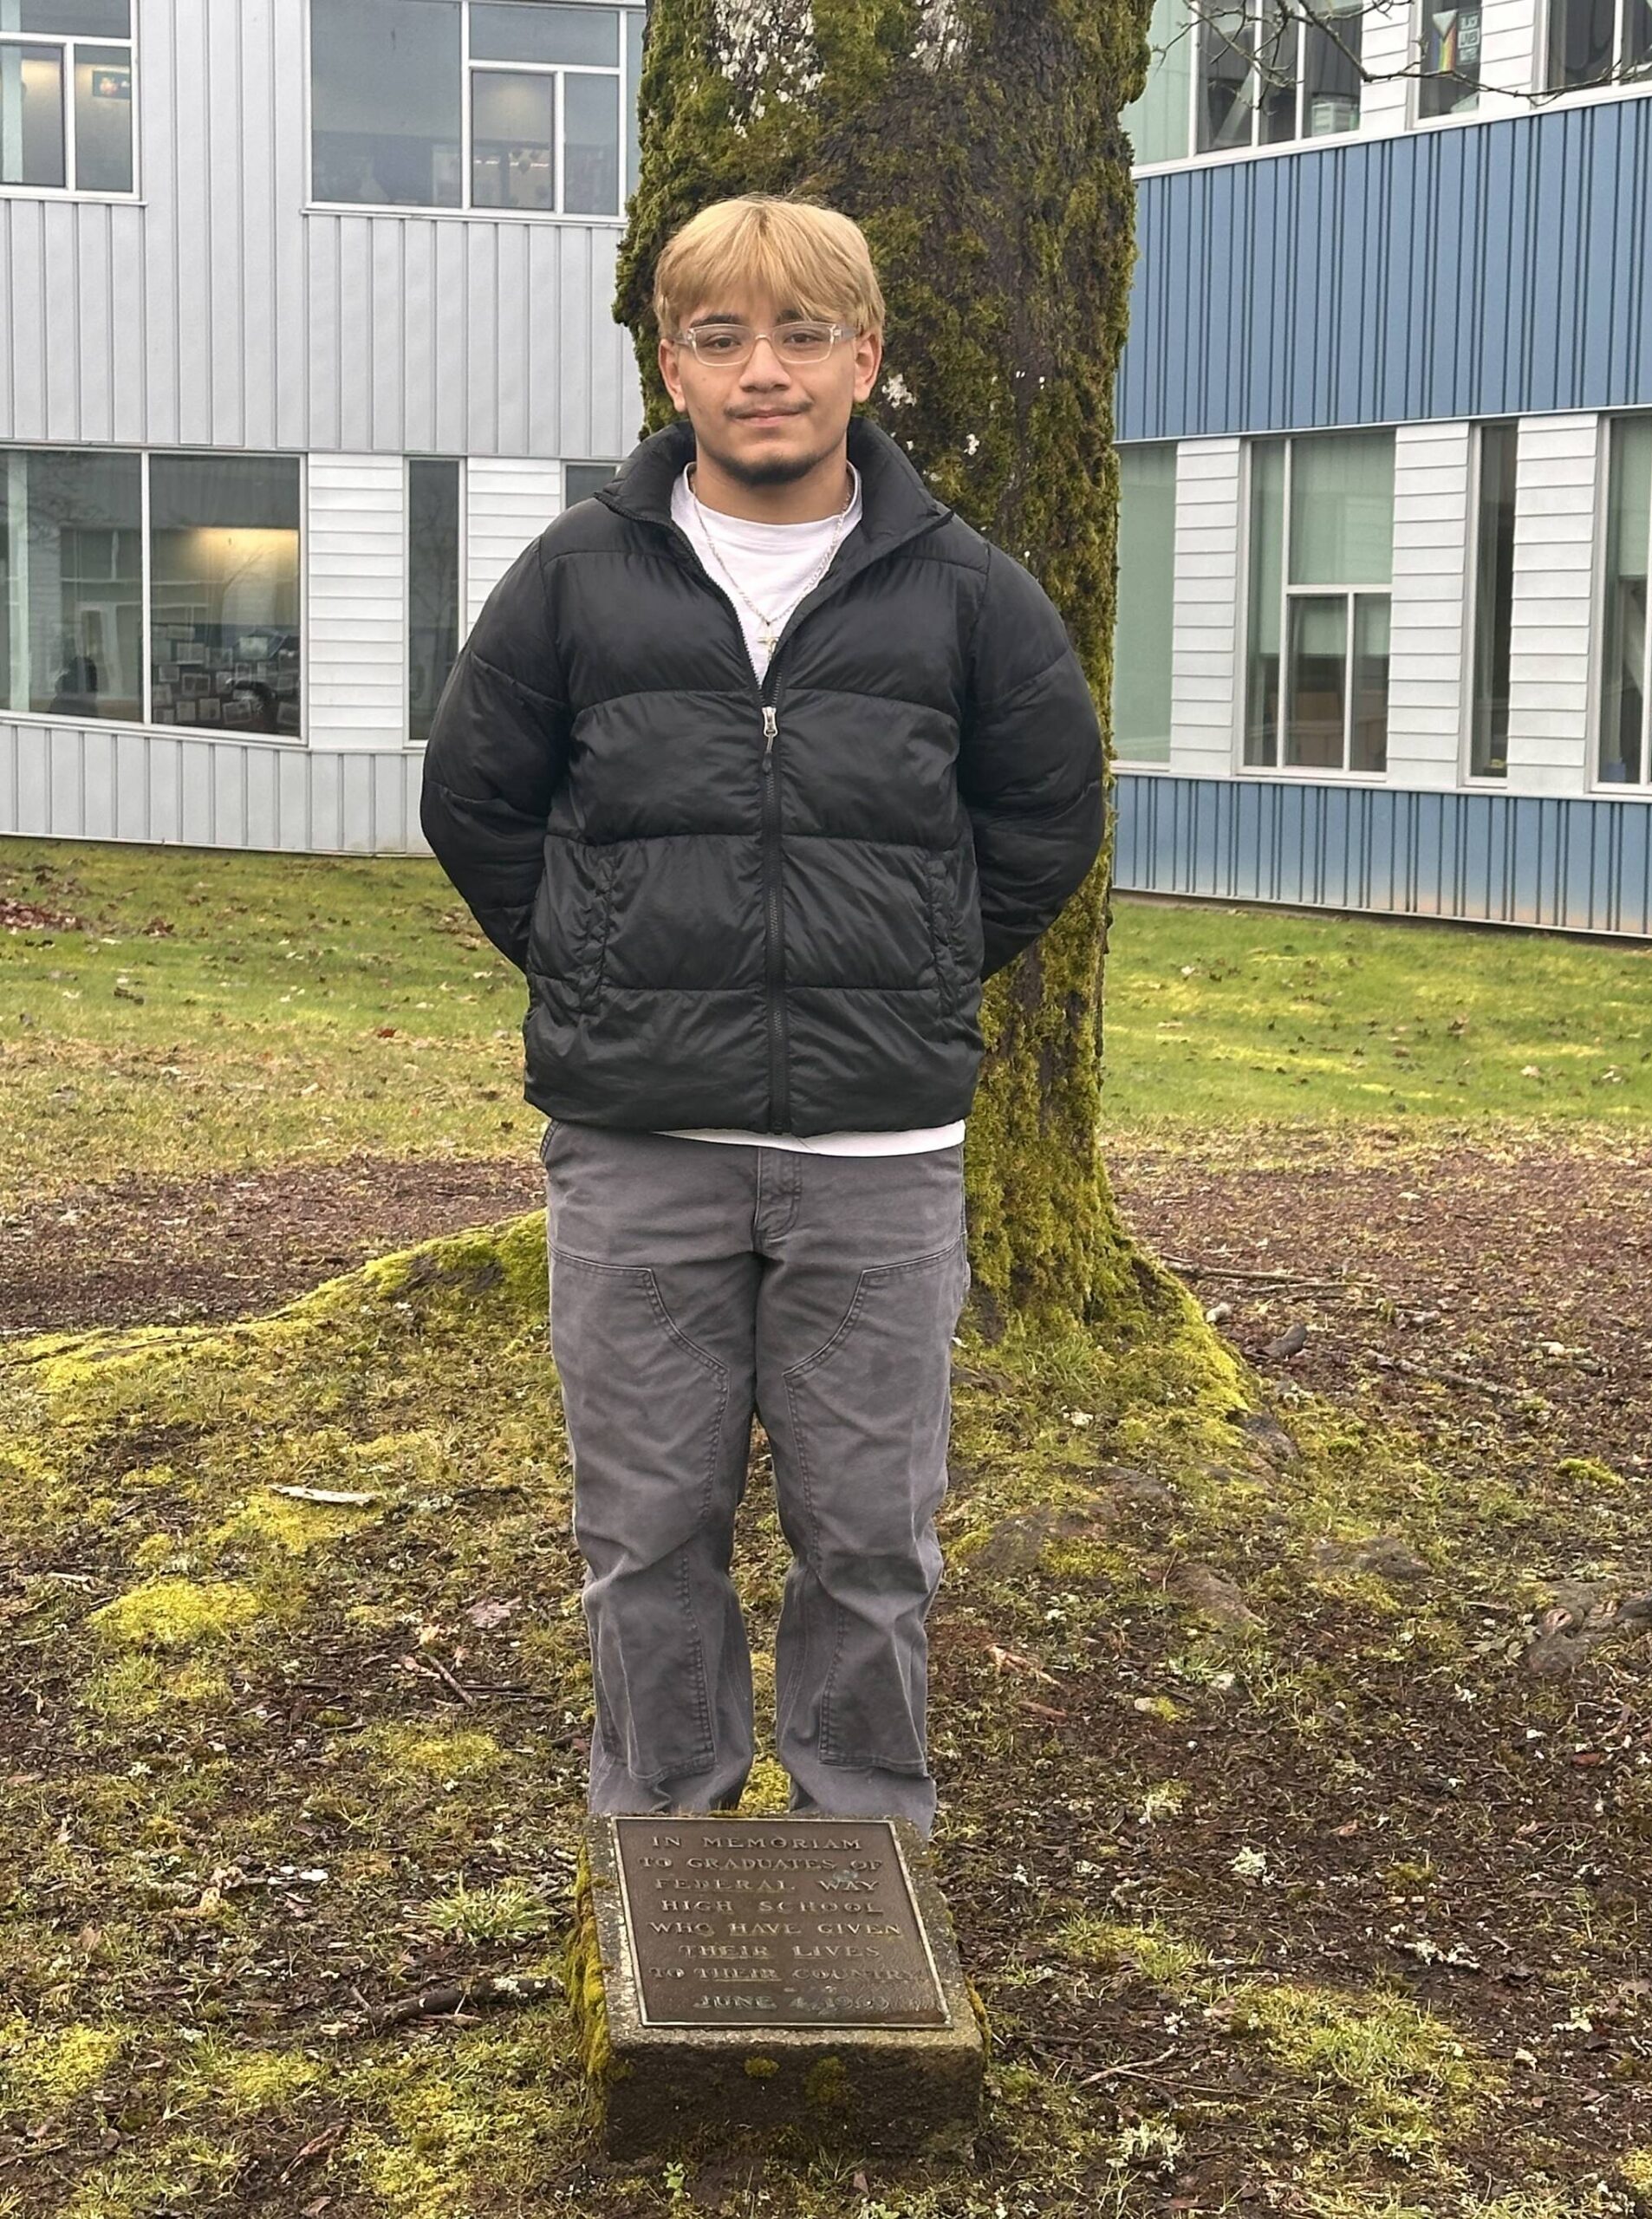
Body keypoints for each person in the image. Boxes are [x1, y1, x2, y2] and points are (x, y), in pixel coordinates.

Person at [420, 193, 1103, 1837]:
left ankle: (863, 1845)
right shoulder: (578, 577)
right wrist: (596, 965)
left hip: (879, 1155)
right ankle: (661, 1843)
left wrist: (916, 968)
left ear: (864, 358)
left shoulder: (967, 592)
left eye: (802, 334)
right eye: (721, 338)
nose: (764, 371)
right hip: (638, 1148)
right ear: (673, 367)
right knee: (646, 1535)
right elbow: (476, 801)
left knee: (869, 1537)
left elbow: (1046, 815)